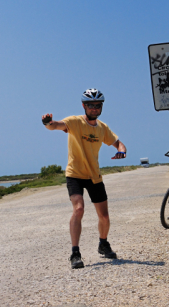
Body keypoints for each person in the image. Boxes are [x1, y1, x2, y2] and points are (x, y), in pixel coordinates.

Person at [42, 88, 127, 269]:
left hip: (94, 176)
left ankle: (103, 244)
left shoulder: (103, 128)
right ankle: (75, 253)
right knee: (79, 209)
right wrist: (47, 122)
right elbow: (56, 125)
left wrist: (121, 150)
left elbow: (118, 142)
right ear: (84, 106)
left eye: (97, 105)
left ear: (101, 106)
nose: (94, 108)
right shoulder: (74, 122)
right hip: (75, 174)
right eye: (90, 105)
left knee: (104, 217)